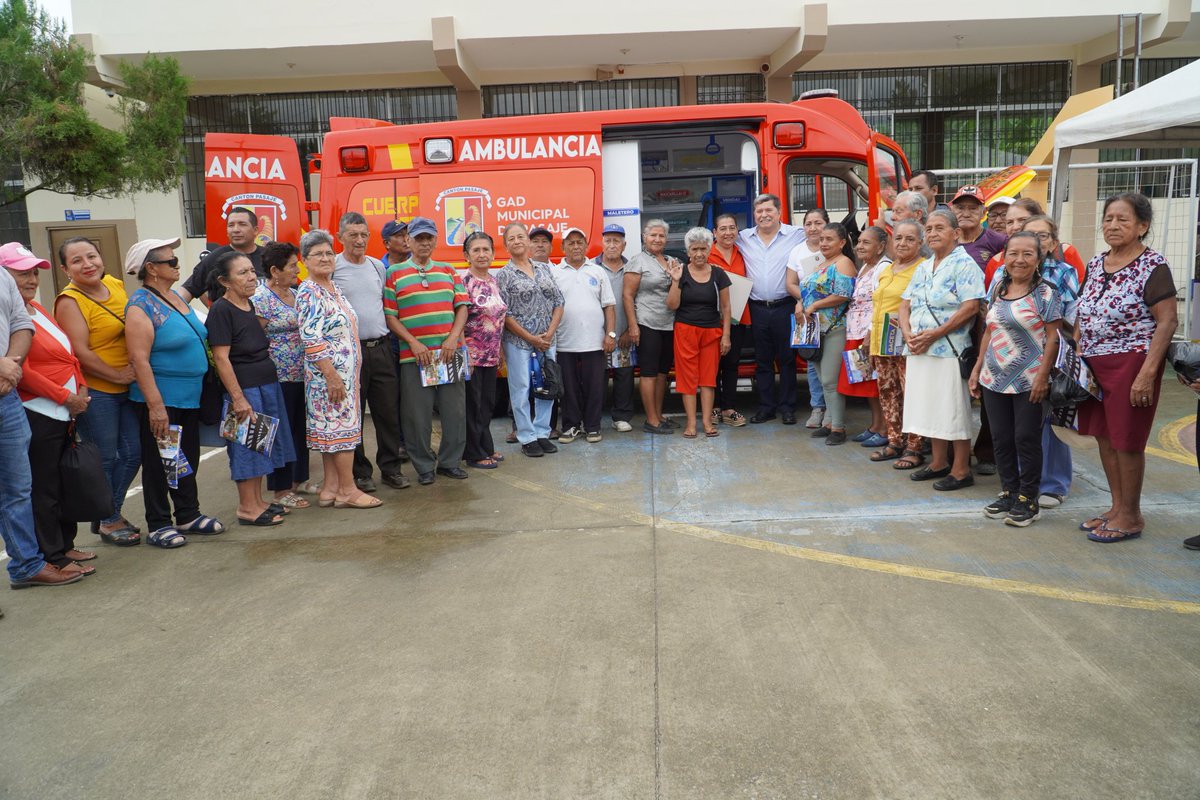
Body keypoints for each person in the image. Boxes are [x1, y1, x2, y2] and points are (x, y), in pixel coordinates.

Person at [1075, 193, 1178, 543]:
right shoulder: (1095, 263)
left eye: (1123, 219)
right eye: (1109, 219)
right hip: (1094, 363)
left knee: (1127, 441)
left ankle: (1131, 516)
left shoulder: (1153, 266)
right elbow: (1083, 310)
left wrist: (1148, 372)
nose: (1113, 225)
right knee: (1105, 438)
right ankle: (1117, 508)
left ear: (1142, 226)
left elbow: (1167, 322)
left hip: (1131, 362)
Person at [125, 237, 225, 548]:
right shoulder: (140, 305)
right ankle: (158, 523)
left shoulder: (174, 298)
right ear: (151, 268)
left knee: (186, 458)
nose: (177, 265)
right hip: (162, 399)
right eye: (171, 261)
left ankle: (187, 513)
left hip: (189, 397)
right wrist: (156, 406)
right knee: (159, 462)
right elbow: (138, 359)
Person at [4, 243, 94, 577]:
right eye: (21, 273)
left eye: (33, 272)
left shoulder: (36, 309)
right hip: (39, 410)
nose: (31, 279)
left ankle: (64, 542)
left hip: (63, 412)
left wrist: (81, 386)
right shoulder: (11, 317)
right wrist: (64, 397)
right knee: (42, 487)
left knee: (61, 482)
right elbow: (23, 371)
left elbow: (67, 354)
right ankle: (51, 553)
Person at [969, 232, 1063, 527]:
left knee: (1026, 438)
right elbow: (989, 330)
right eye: (1013, 253)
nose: (1019, 260)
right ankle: (1009, 491)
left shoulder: (1046, 293)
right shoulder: (998, 288)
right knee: (1001, 438)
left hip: (1029, 379)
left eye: (1027, 254)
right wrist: (977, 369)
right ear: (1004, 257)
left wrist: (1043, 377)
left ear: (1038, 259)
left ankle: (1028, 499)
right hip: (994, 377)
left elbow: (1053, 339)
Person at [54, 237, 142, 546]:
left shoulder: (115, 285)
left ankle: (108, 512)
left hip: (128, 388)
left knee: (133, 453)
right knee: (104, 457)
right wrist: (119, 374)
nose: (87, 264)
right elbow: (80, 352)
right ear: (66, 269)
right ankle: (108, 519)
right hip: (98, 391)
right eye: (77, 261)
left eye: (91, 256)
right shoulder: (69, 301)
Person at [996, 214, 1081, 509]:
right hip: (1003, 368)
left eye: (1042, 236)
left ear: (1051, 243)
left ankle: (1050, 486)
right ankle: (1015, 489)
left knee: (1045, 429)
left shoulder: (1061, 277)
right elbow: (993, 321)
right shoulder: (1001, 279)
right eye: (1026, 235)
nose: (1023, 254)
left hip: (1047, 360)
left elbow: (1066, 325)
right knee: (1012, 434)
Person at [206, 252, 298, 524]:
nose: (250, 277)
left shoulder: (249, 305)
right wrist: (238, 398)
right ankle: (247, 507)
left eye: (250, 271)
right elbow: (222, 358)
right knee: (245, 447)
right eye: (242, 273)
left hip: (265, 385)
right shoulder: (221, 310)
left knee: (262, 445)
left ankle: (258, 501)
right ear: (225, 281)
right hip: (245, 390)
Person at [898, 208, 986, 491]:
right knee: (929, 408)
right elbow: (905, 303)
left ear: (955, 233)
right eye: (929, 229)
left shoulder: (965, 264)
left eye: (939, 228)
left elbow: (971, 306)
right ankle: (938, 462)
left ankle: (961, 469)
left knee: (952, 409)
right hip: (919, 349)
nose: (932, 233)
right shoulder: (924, 266)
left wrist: (935, 333)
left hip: (949, 349)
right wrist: (907, 332)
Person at [296, 230, 380, 509]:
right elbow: (311, 338)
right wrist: (332, 377)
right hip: (329, 377)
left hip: (343, 375)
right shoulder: (309, 292)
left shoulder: (332, 288)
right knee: (341, 432)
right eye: (318, 254)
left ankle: (330, 488)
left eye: (329, 253)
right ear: (304, 260)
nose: (326, 258)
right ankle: (347, 489)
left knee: (333, 432)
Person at [384, 216, 471, 484]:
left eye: (428, 238)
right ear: (408, 240)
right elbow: (390, 315)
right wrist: (413, 341)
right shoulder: (394, 273)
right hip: (416, 355)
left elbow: (462, 308)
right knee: (417, 415)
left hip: (448, 353)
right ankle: (423, 467)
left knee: (454, 412)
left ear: (434, 240)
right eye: (418, 238)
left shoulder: (448, 270)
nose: (424, 242)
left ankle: (449, 462)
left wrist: (452, 339)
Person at [333, 211, 408, 493]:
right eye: (353, 235)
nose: (359, 240)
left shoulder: (378, 267)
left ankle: (391, 469)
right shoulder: (333, 267)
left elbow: (387, 307)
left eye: (364, 234)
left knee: (388, 412)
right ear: (340, 238)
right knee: (354, 415)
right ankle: (361, 472)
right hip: (350, 354)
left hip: (381, 349)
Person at [496, 222, 564, 456]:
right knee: (522, 388)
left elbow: (559, 302)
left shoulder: (544, 269)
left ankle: (542, 432)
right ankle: (527, 436)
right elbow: (505, 313)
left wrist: (549, 333)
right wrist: (531, 338)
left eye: (520, 236)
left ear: (528, 241)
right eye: (511, 238)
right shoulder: (504, 275)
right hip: (519, 342)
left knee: (547, 385)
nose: (517, 241)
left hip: (547, 341)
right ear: (506, 246)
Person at [253, 242, 312, 507]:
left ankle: (298, 480)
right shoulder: (262, 299)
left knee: (301, 429)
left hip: (303, 374)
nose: (296, 269)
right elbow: (255, 340)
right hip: (279, 377)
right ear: (275, 270)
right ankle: (280, 488)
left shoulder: (297, 294)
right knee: (280, 432)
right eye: (291, 265)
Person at [739, 194, 806, 425]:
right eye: (759, 211)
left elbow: (821, 238)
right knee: (763, 361)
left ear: (779, 213)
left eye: (769, 210)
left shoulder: (797, 235)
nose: (764, 215)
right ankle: (766, 407)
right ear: (754, 215)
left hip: (785, 306)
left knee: (787, 360)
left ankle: (787, 408)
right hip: (756, 308)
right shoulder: (743, 238)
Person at [868, 221, 926, 467]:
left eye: (910, 239)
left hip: (907, 342)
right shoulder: (887, 269)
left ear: (920, 243)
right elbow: (877, 306)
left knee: (912, 393)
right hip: (882, 341)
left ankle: (915, 447)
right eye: (899, 238)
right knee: (888, 392)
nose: (902, 243)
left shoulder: (923, 268)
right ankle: (894, 441)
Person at [793, 223, 857, 445]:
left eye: (829, 239)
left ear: (841, 242)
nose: (824, 243)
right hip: (815, 330)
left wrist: (814, 306)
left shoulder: (844, 263)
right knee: (822, 379)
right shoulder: (820, 262)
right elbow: (808, 290)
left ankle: (838, 428)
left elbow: (843, 294)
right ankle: (828, 422)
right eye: (821, 240)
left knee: (830, 380)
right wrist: (801, 304)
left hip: (834, 328)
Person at [665, 227, 732, 438]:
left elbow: (727, 307)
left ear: (709, 249)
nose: (699, 253)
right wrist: (675, 281)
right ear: (688, 251)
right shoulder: (681, 272)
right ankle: (691, 424)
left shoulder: (718, 273)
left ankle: (707, 422)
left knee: (708, 379)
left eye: (703, 248)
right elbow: (672, 305)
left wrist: (726, 335)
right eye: (695, 249)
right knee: (687, 379)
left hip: (712, 331)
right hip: (685, 331)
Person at [552, 227, 616, 443]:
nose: (576, 246)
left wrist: (611, 334)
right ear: (562, 247)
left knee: (595, 386)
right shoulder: (555, 272)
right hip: (564, 342)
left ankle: (593, 427)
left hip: (594, 342)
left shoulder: (597, 271)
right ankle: (570, 426)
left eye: (580, 242)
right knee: (567, 388)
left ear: (587, 246)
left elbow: (609, 306)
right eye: (571, 243)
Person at [623, 219, 682, 434]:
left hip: (669, 324)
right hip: (647, 324)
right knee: (648, 373)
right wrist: (633, 326)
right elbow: (627, 296)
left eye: (661, 236)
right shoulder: (637, 262)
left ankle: (659, 415)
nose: (657, 239)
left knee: (662, 373)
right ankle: (651, 420)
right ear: (644, 237)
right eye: (653, 235)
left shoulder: (672, 261)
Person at [839, 226, 889, 447]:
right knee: (868, 383)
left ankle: (887, 428)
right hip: (856, 332)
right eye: (859, 242)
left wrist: (870, 334)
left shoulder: (883, 267)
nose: (860, 246)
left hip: (871, 333)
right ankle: (875, 426)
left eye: (866, 242)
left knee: (878, 384)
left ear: (881, 246)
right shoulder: (865, 267)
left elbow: (882, 303)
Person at [460, 231, 507, 469]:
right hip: (471, 356)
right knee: (473, 406)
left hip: (491, 355)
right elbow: (456, 319)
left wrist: (499, 351)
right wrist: (464, 351)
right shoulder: (463, 282)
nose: (481, 254)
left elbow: (499, 320)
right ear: (467, 255)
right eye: (476, 250)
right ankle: (474, 453)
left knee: (487, 404)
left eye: (485, 249)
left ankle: (486, 446)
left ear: (493, 253)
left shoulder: (493, 281)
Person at [588, 223, 636, 432]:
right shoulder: (591, 267)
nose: (612, 245)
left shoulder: (632, 268)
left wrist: (628, 330)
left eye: (617, 241)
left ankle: (622, 417)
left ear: (624, 245)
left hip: (624, 332)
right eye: (608, 240)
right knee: (596, 378)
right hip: (597, 335)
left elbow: (638, 301)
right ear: (602, 243)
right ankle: (593, 419)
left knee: (624, 376)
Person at [787, 208, 830, 429]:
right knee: (812, 361)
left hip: (834, 312)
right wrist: (805, 300)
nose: (813, 228)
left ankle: (832, 409)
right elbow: (791, 283)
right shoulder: (797, 251)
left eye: (818, 223)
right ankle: (817, 407)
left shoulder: (835, 247)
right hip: (808, 314)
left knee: (832, 363)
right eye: (808, 223)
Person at [707, 214, 749, 428]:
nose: (728, 233)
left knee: (732, 364)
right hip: (712, 319)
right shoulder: (706, 254)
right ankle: (713, 406)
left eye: (732, 228)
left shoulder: (744, 253)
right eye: (722, 228)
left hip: (738, 316)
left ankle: (728, 408)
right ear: (714, 232)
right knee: (712, 364)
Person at [179, 208, 264, 304]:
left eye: (242, 224)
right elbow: (188, 290)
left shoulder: (268, 256)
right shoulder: (215, 258)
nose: (235, 230)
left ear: (255, 230)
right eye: (231, 225)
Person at [950, 185, 1007, 270]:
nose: (966, 214)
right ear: (952, 211)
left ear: (983, 213)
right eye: (960, 208)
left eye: (973, 208)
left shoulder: (999, 241)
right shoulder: (945, 240)